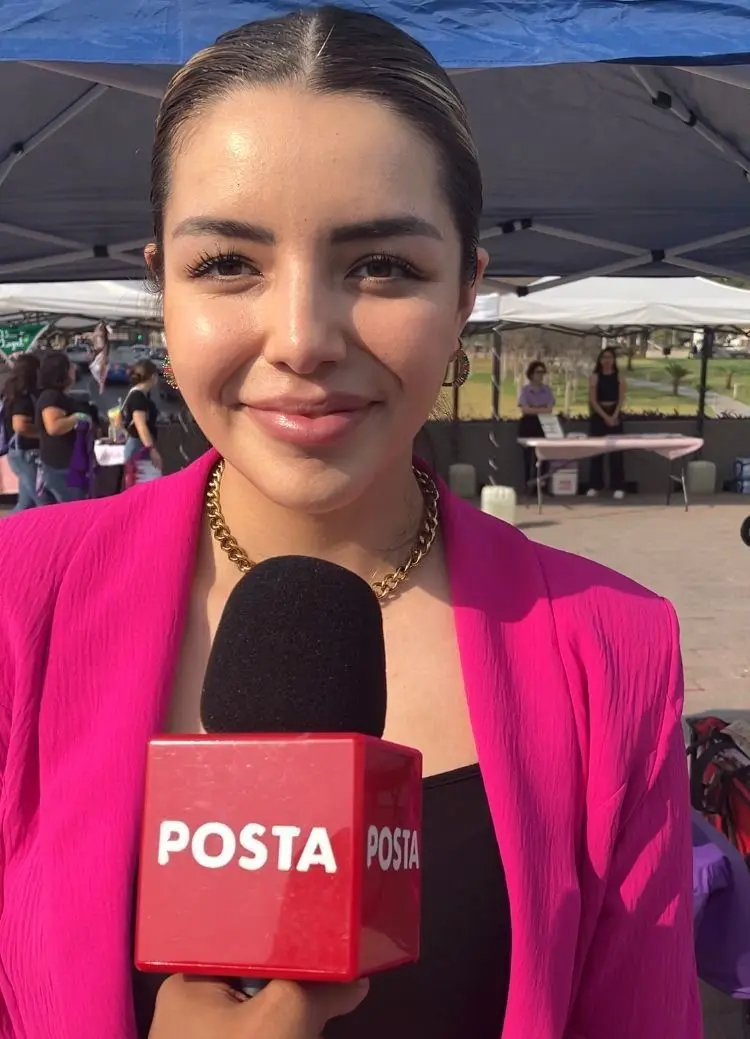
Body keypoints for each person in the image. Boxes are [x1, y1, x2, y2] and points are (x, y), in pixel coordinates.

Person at [0, 8, 700, 1039]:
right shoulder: (19, 605)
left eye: (382, 268)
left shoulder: (612, 647)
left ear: (467, 290)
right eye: (229, 264)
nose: (302, 339)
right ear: (163, 281)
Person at [35, 351, 93, 503]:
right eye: (70, 366)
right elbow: (54, 427)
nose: (74, 368)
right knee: (74, 513)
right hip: (61, 467)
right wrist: (77, 418)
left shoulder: (61, 396)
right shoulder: (51, 396)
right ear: (61, 373)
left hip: (69, 464)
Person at [1, 352, 45, 511]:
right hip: (26, 454)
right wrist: (43, 433)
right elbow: (20, 425)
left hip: (20, 453)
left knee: (26, 504)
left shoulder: (13, 392)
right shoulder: (23, 396)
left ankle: (7, 532)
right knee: (43, 501)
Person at [587, 346, 627, 499]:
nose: (607, 360)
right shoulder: (594, 377)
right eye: (604, 357)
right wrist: (605, 417)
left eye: (610, 357)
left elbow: (621, 398)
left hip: (615, 413)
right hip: (599, 415)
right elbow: (593, 400)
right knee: (597, 451)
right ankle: (595, 485)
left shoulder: (619, 378)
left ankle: (618, 486)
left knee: (616, 453)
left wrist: (614, 415)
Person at [122, 359, 163, 483]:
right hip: (139, 448)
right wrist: (151, 449)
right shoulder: (138, 397)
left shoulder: (138, 394)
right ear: (153, 377)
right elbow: (140, 425)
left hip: (137, 447)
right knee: (145, 487)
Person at [517, 360, 555, 490]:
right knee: (528, 458)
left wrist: (534, 408)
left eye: (542, 373)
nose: (540, 375)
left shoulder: (547, 390)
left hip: (544, 424)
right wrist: (541, 408)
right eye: (538, 372)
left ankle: (542, 485)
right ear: (531, 374)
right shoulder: (525, 390)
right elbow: (525, 410)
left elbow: (549, 409)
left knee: (544, 456)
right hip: (528, 424)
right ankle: (528, 484)